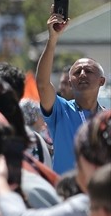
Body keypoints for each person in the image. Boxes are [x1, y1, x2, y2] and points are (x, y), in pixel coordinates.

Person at [35, 12, 107, 174]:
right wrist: (52, 39)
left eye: (88, 71)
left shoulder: (106, 119)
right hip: (66, 193)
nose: (82, 74)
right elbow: (42, 84)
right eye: (77, 72)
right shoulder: (61, 110)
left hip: (99, 194)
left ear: (101, 81)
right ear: (70, 81)